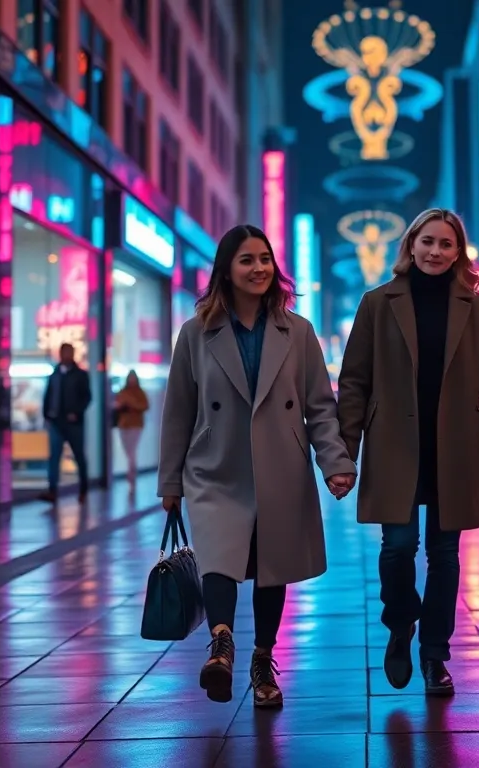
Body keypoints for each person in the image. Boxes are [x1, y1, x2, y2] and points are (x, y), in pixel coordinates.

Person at [158, 224, 356, 709]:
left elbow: (319, 405)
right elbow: (179, 409)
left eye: (265, 258)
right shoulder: (196, 332)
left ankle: (262, 659)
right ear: (225, 269)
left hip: (279, 467)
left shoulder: (299, 331)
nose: (259, 268)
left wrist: (334, 461)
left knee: (273, 568)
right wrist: (170, 481)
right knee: (219, 558)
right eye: (247, 259)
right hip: (214, 466)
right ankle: (222, 646)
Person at [337, 208, 479, 696]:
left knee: (445, 555)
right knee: (397, 549)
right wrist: (343, 453)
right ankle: (400, 624)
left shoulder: (476, 308)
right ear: (411, 245)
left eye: (446, 244)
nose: (436, 252)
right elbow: (354, 381)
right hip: (395, 443)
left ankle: (435, 654)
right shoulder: (378, 303)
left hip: (453, 445)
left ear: (459, 252)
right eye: (427, 241)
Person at [39, 342, 92, 503]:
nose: (66, 356)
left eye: (68, 352)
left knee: (79, 456)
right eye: (63, 352)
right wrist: (46, 415)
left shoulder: (80, 375)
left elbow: (87, 397)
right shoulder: (54, 374)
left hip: (74, 423)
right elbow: (48, 395)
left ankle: (83, 490)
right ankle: (52, 491)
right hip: (56, 422)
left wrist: (76, 412)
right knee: (54, 457)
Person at [113, 370, 150, 488]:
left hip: (135, 425)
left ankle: (131, 475)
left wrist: (132, 404)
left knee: (132, 451)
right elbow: (117, 404)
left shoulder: (140, 393)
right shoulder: (123, 392)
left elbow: (145, 406)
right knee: (127, 450)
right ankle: (131, 472)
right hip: (123, 424)